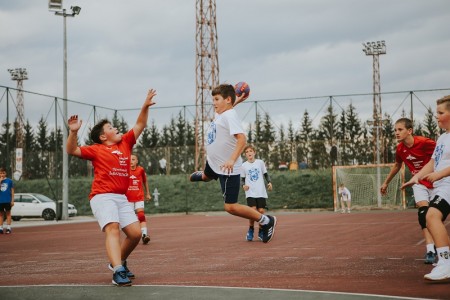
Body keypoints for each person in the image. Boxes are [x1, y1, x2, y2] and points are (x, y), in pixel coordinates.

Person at [66, 89, 157, 286]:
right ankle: (117, 271)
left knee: (134, 234)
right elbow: (71, 149)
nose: (116, 128)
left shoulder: (125, 143)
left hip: (121, 197)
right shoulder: (96, 150)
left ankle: (118, 262)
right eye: (110, 127)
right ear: (102, 137)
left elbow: (140, 124)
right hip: (102, 196)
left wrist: (145, 106)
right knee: (113, 228)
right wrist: (73, 132)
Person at [189, 83, 277, 243]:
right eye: (213, 99)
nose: (214, 103)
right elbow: (227, 110)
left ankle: (266, 221)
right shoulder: (222, 113)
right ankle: (205, 175)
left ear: (227, 99)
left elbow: (242, 139)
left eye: (216, 99)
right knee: (207, 175)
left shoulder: (229, 115)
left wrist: (231, 159)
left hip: (227, 168)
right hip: (214, 163)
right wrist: (236, 102)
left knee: (230, 206)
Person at [402, 95, 450, 281]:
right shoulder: (443, 138)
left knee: (431, 216)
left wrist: (440, 174)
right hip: (442, 185)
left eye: (441, 112)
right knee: (431, 217)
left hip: (447, 183)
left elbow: (439, 168)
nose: (436, 116)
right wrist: (416, 177)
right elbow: (433, 162)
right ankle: (445, 261)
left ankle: (445, 264)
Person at [381, 118, 437, 264]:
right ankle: (430, 249)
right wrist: (386, 182)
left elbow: (443, 156)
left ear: (409, 130)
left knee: (436, 217)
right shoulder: (400, 149)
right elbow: (397, 165)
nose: (396, 133)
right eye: (395, 130)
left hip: (437, 181)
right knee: (423, 214)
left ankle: (442, 245)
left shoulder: (425, 143)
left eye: (400, 130)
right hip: (418, 182)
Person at [241, 145, 273, 241]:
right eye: (247, 151)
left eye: (250, 151)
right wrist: (243, 185)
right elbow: (242, 179)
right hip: (250, 192)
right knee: (253, 210)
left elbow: (266, 174)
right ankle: (251, 229)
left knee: (261, 211)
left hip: (261, 191)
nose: (249, 153)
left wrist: (269, 182)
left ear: (254, 152)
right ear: (245, 154)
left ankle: (261, 230)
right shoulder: (243, 166)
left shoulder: (260, 163)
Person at [126, 154, 152, 245]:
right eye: (130, 159)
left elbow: (145, 181)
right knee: (130, 219)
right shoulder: (125, 170)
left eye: (133, 159)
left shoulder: (140, 170)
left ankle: (144, 235)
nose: (131, 161)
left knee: (141, 215)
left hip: (139, 197)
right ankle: (132, 235)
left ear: (137, 161)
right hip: (127, 198)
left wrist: (147, 193)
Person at [0, 167, 14, 234]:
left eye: (3, 173)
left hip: (7, 200)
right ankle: (1, 228)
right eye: (1, 173)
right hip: (0, 200)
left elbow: (12, 191)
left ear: (5, 173)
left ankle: (8, 228)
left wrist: (12, 200)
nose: (2, 174)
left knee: (8, 214)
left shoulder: (9, 181)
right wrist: (0, 181)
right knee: (1, 214)